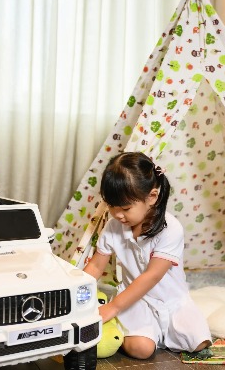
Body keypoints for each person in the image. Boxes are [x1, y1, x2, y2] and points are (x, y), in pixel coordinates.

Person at [84, 152, 211, 359]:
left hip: (170, 300)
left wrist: (113, 308)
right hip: (134, 299)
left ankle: (148, 328)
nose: (117, 214)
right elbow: (96, 266)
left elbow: (151, 276)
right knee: (142, 350)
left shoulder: (171, 229)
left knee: (198, 343)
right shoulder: (113, 226)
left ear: (151, 197)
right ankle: (128, 329)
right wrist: (75, 293)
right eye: (111, 206)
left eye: (125, 208)